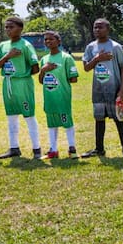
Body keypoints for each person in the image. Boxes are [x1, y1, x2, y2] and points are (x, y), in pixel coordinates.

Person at [80, 18, 123, 159]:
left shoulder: (115, 47)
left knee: (119, 119)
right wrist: (97, 59)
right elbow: (86, 68)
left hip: (114, 89)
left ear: (108, 29)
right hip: (98, 90)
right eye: (95, 27)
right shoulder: (90, 47)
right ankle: (99, 149)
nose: (97, 30)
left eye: (100, 27)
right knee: (99, 118)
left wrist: (122, 90)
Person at [0, 16, 41, 159]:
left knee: (29, 116)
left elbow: (35, 68)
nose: (8, 30)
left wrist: (22, 75)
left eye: (11, 27)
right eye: (6, 27)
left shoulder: (25, 45)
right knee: (11, 116)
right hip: (8, 83)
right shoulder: (3, 46)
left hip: (23, 84)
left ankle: (37, 149)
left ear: (20, 29)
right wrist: (8, 56)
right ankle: (14, 148)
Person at [38, 30, 79, 159]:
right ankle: (53, 150)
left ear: (59, 41)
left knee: (67, 122)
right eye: (46, 39)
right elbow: (41, 81)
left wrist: (60, 79)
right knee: (52, 123)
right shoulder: (44, 59)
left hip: (62, 97)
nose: (48, 41)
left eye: (51, 39)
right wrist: (43, 70)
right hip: (49, 97)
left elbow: (74, 78)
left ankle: (72, 149)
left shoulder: (66, 58)